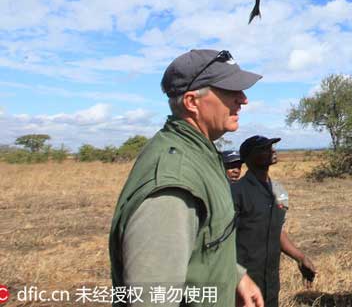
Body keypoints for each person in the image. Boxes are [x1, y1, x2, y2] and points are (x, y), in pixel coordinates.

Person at [109, 49, 264, 307]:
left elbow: (202, 242)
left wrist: (234, 275)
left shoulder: (199, 151)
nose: (244, 99)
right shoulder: (172, 185)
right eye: (231, 90)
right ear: (192, 102)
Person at [232, 135, 317, 307]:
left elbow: (276, 231)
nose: (272, 150)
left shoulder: (278, 191)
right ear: (248, 157)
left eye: (271, 146)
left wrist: (300, 257)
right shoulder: (236, 192)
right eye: (263, 148)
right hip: (243, 278)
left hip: (270, 279)